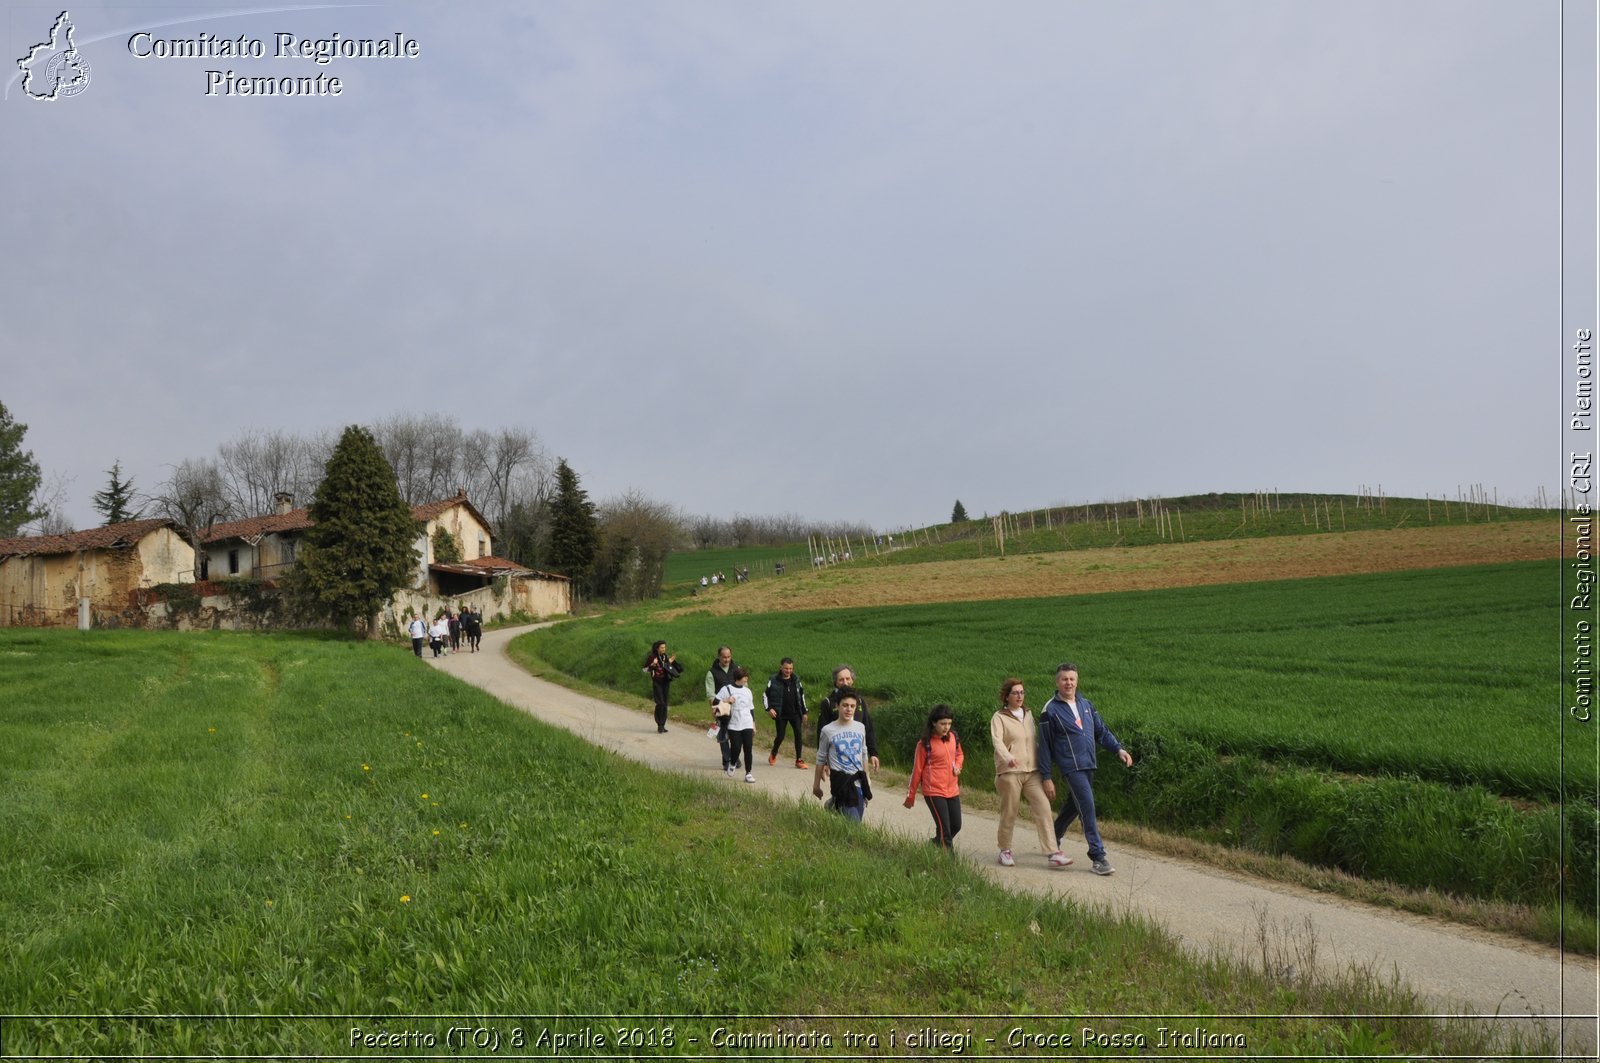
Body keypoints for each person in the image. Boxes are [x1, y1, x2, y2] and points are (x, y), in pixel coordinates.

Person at [1038, 662, 1134, 876]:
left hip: (1089, 763)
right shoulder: (1050, 710)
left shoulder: (1086, 704)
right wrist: (1046, 776)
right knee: (1088, 807)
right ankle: (1098, 857)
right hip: (1071, 767)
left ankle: (1051, 839)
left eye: (1072, 678)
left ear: (1077, 680)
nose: (1069, 683)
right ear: (1057, 682)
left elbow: (1101, 732)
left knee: (1074, 805)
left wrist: (1118, 749)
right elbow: (1044, 747)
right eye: (1064, 679)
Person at [990, 677, 1071, 869]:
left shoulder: (1028, 715)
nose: (1019, 696)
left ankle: (1053, 852)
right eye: (1015, 693)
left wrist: (1047, 764)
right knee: (1010, 811)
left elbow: (1033, 741)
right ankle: (1005, 850)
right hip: (1010, 772)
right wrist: (1008, 757)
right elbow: (997, 741)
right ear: (1006, 696)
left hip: (1032, 771)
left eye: (1022, 692)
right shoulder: (999, 717)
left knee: (1043, 807)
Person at [904, 704, 964, 849]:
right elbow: (917, 771)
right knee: (945, 832)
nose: (946, 727)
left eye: (949, 723)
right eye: (943, 724)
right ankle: (949, 866)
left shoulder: (953, 737)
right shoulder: (924, 744)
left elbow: (959, 754)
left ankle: (933, 845)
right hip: (934, 791)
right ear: (934, 723)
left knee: (956, 825)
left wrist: (958, 765)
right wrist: (911, 796)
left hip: (952, 789)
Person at [812, 687, 870, 822]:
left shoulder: (860, 727)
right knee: (854, 824)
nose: (849, 709)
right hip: (841, 781)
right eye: (845, 705)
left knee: (858, 817)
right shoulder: (828, 730)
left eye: (852, 706)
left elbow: (864, 753)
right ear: (837, 706)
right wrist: (816, 786)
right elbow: (820, 758)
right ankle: (836, 801)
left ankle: (832, 804)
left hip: (858, 782)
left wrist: (867, 778)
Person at [816, 665, 880, 772]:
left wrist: (873, 753)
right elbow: (822, 734)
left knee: (863, 786)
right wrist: (825, 763)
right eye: (841, 679)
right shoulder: (827, 703)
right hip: (837, 761)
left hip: (858, 759)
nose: (845, 682)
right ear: (835, 682)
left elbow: (868, 729)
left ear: (852, 680)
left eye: (848, 679)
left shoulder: (860, 701)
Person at [714, 665, 758, 782]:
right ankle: (732, 763)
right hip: (733, 723)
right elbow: (715, 701)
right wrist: (727, 700)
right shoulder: (726, 689)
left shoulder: (748, 691)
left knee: (748, 748)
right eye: (745, 677)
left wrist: (753, 724)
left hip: (747, 723)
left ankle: (748, 773)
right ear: (739, 678)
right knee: (736, 748)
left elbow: (751, 709)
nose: (746, 679)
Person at [764, 657, 808, 768]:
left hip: (795, 713)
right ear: (781, 667)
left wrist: (804, 711)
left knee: (798, 734)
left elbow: (801, 696)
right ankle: (773, 753)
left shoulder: (796, 680)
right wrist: (769, 709)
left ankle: (799, 760)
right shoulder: (773, 680)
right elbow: (765, 695)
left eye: (790, 668)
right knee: (780, 736)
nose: (788, 671)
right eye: (786, 668)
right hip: (780, 713)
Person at [704, 645, 738, 771]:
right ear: (719, 657)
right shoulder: (711, 673)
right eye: (724, 657)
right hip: (721, 707)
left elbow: (744, 688)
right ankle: (727, 761)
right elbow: (710, 694)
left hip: (736, 708)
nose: (727, 659)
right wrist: (715, 707)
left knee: (736, 734)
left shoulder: (737, 669)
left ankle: (734, 757)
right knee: (723, 735)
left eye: (729, 657)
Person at [642, 640, 682, 733]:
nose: (663, 649)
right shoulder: (652, 657)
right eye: (662, 647)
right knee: (660, 703)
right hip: (657, 682)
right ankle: (659, 724)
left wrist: (670, 662)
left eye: (664, 647)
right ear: (657, 648)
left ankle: (662, 725)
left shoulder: (665, 656)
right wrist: (653, 664)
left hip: (666, 682)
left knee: (665, 704)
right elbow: (644, 669)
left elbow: (667, 668)